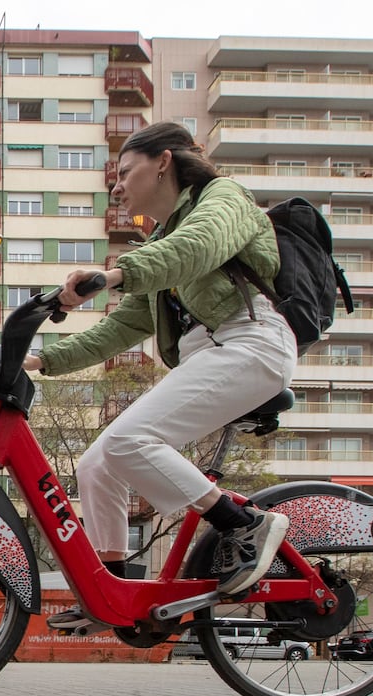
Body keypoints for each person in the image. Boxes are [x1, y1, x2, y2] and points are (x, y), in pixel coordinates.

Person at [22, 121, 296, 633]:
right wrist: (37, 361)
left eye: (125, 172)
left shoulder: (224, 199)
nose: (117, 187)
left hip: (251, 344)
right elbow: (122, 327)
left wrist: (113, 274)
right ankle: (112, 589)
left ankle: (246, 526)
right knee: (97, 462)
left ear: (163, 162)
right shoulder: (162, 239)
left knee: (129, 441)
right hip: (211, 355)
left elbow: (198, 246)